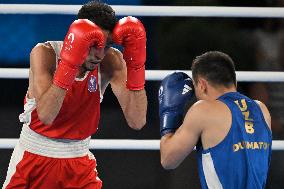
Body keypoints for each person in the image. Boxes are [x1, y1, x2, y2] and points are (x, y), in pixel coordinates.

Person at [3, 1, 147, 189]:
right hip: (33, 161)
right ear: (78, 36)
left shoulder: (111, 60)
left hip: (79, 164)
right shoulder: (45, 54)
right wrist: (69, 65)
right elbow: (46, 115)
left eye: (107, 45)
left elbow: (137, 121)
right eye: (95, 44)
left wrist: (136, 67)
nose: (100, 54)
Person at [158, 51, 272, 188]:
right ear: (234, 81)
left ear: (202, 84)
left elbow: (168, 160)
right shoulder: (261, 110)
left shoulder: (203, 110)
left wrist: (169, 114)